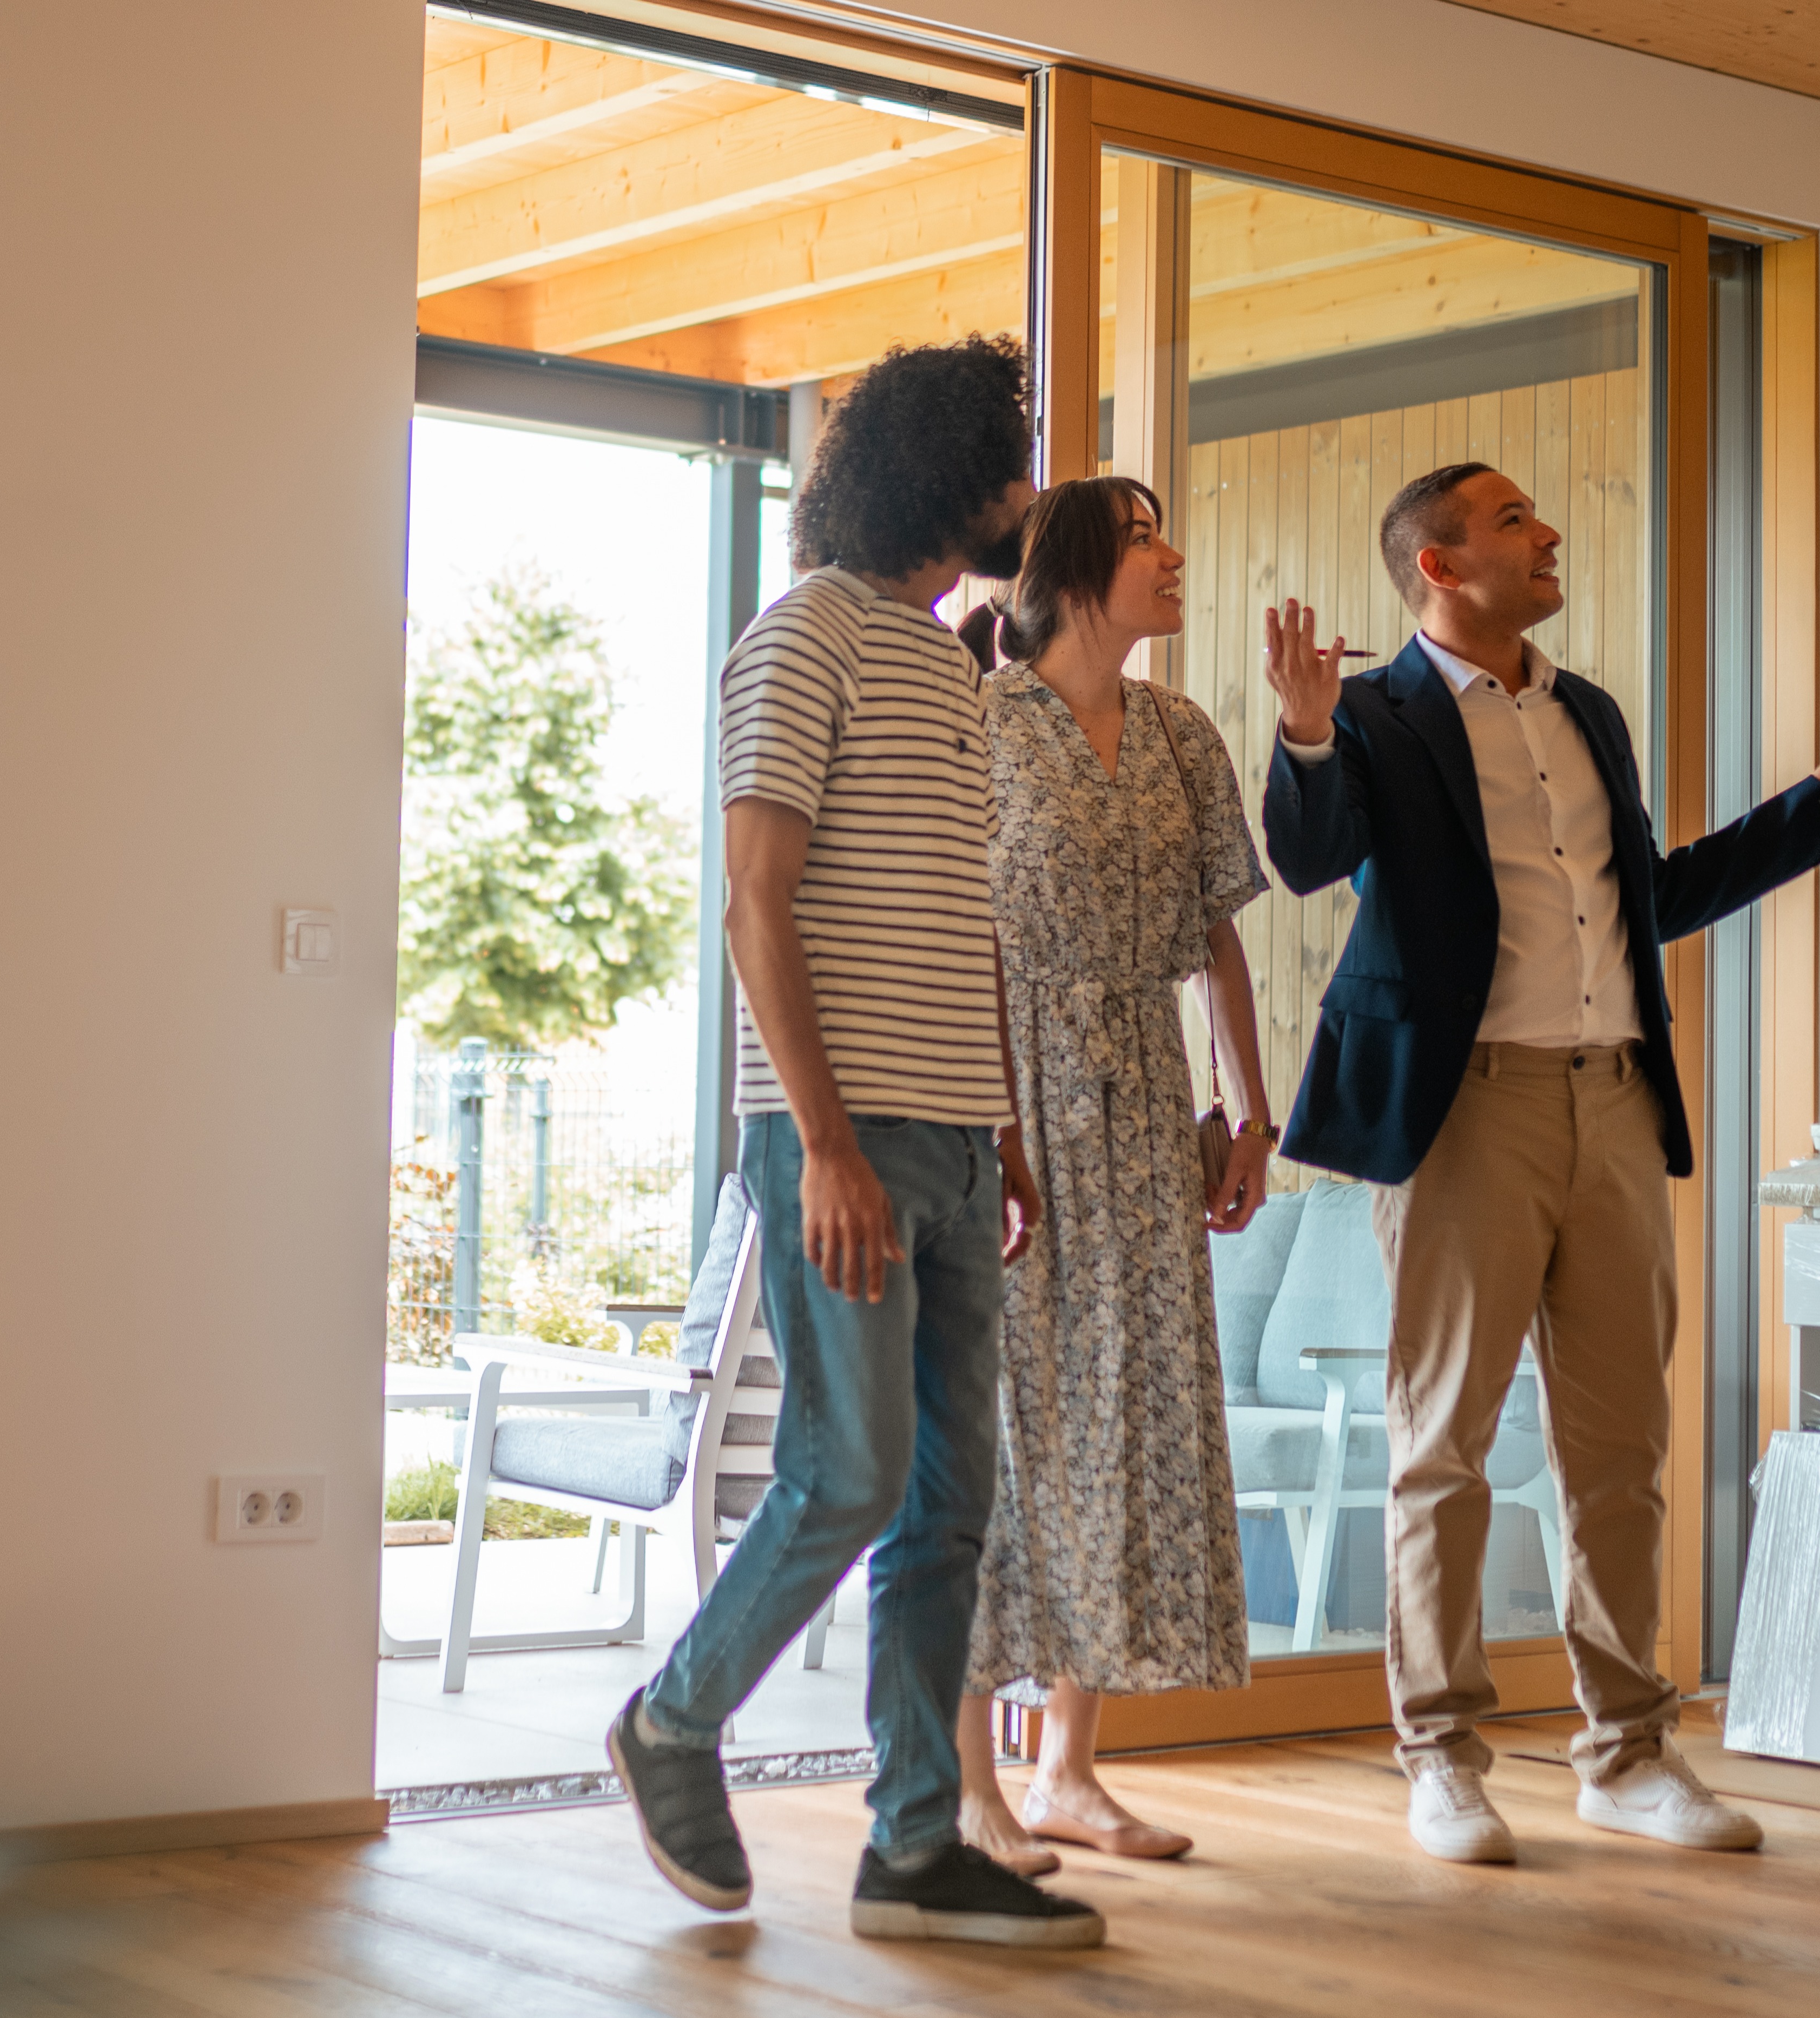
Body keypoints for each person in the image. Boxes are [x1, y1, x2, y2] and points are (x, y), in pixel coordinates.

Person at [1256, 463, 1820, 1865]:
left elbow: (1644, 899)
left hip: (1612, 1103)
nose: (1548, 536)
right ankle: (1443, 1760)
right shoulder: (1375, 712)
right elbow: (1307, 860)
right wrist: (1302, 736)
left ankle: (1628, 1754)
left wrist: (1807, 809)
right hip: (1462, 1112)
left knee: (1622, 1452)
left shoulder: (1584, 709)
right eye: (1514, 521)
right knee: (1445, 1452)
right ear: (1439, 564)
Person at [600, 335, 1103, 1950]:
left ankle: (912, 1841)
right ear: (935, 474)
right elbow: (757, 900)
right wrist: (822, 1143)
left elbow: (961, 927)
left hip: (958, 1138)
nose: (1027, 491)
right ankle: (675, 1721)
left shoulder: (955, 671)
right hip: (847, 1137)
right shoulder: (799, 634)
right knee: (851, 1468)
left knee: (954, 1500)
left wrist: (1005, 1130)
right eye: (1006, 464)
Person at [944, 476, 1281, 1875]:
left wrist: (1248, 1109)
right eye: (1147, 539)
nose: (1176, 555)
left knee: (1128, 1420)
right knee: (1006, 1432)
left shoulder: (1185, 730)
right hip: (1010, 1096)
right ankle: (968, 1784)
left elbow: (1217, 933)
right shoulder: (981, 720)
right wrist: (996, 1119)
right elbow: (958, 936)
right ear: (1079, 567)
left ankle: (1071, 1766)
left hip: (1146, 1098)